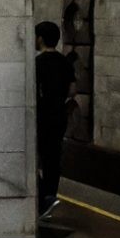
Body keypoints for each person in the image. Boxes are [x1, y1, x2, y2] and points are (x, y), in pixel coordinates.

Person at [35, 20, 74, 218]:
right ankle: (50, 197)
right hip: (59, 116)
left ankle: (43, 198)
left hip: (41, 117)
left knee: (32, 160)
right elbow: (72, 90)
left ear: (40, 38)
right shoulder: (65, 62)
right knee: (53, 159)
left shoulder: (37, 63)